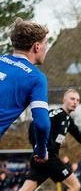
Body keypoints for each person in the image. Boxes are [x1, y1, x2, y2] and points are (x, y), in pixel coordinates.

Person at [0, 18, 50, 157]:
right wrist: (41, 150)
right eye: (45, 44)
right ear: (36, 46)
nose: (46, 48)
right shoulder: (36, 78)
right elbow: (42, 124)